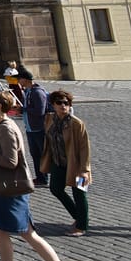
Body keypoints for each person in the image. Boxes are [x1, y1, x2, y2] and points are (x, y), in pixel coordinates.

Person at [0, 91, 81, 261]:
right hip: (5, 187)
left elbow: (10, 161)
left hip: (11, 188)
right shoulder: (1, 125)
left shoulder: (5, 128)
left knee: (28, 234)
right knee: (1, 229)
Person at [40, 90, 91, 237]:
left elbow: (84, 148)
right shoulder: (49, 119)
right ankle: (79, 216)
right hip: (58, 163)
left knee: (80, 194)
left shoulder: (76, 123)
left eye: (66, 103)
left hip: (77, 166)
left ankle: (81, 226)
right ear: (53, 105)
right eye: (59, 103)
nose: (63, 106)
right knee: (56, 189)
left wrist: (84, 170)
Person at [20, 68, 49, 187]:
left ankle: (44, 178)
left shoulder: (37, 92)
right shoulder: (27, 91)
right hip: (30, 128)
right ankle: (40, 177)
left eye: (20, 79)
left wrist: (24, 109)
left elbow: (40, 111)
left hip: (38, 128)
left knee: (42, 154)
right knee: (35, 154)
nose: (19, 81)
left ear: (26, 80)